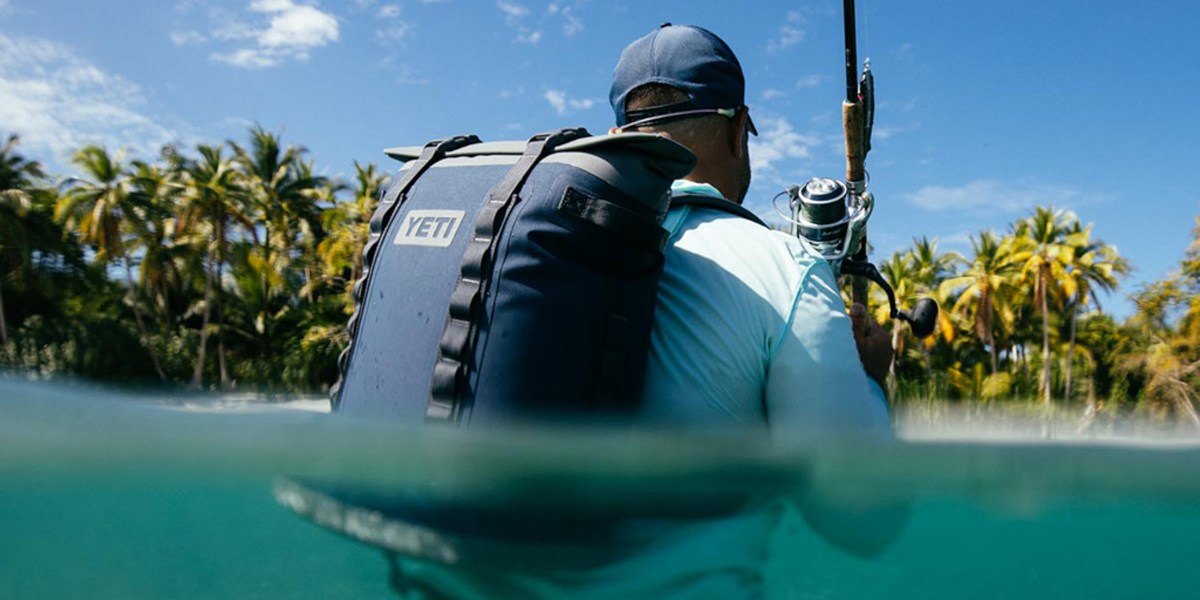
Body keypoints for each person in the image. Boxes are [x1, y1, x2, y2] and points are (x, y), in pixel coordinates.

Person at [386, 24, 905, 600]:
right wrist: (870, 381)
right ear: (739, 131)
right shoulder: (785, 267)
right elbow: (862, 522)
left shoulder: (528, 242)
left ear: (618, 137)